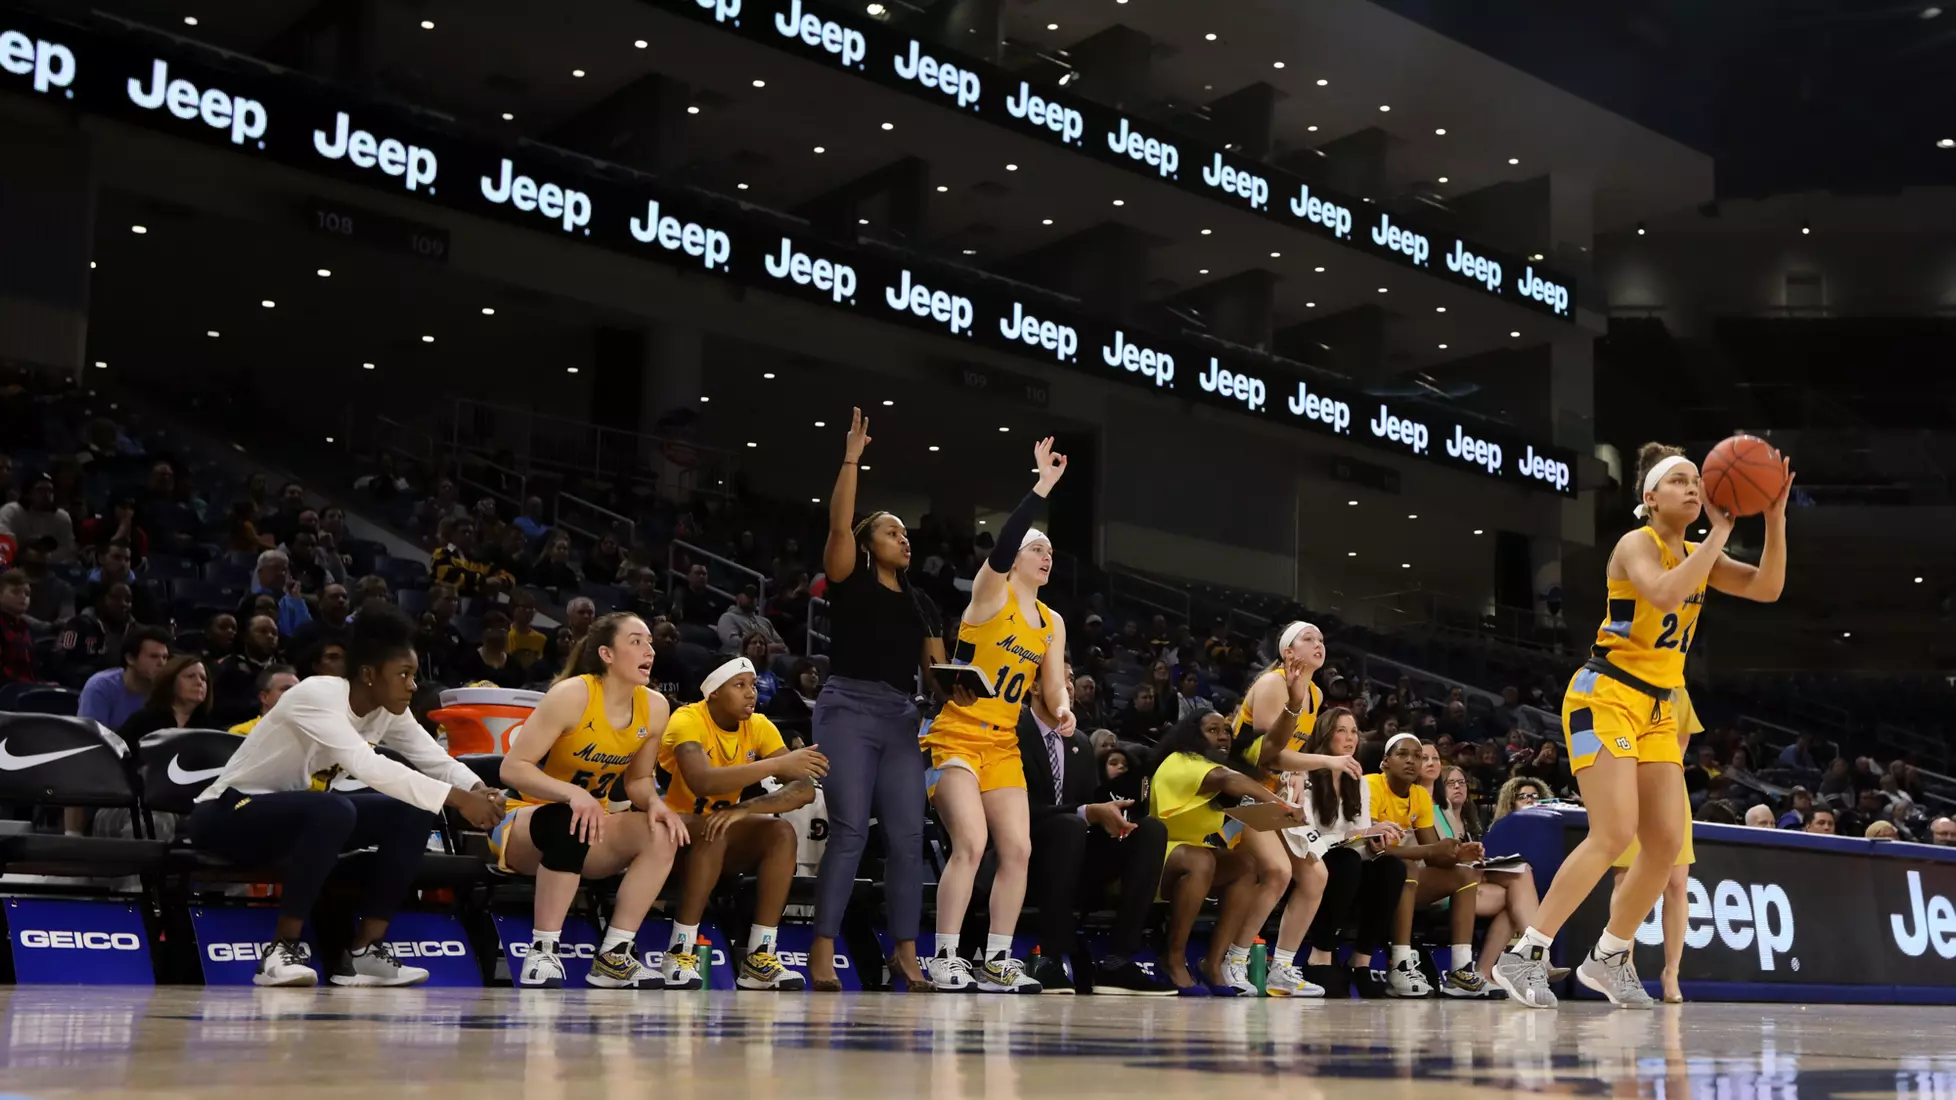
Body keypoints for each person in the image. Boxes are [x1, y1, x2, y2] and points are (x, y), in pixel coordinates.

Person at [1491, 441, 1791, 1010]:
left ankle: (1609, 955)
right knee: (1613, 832)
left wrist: (1773, 518)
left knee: (1666, 843)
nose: (1693, 489)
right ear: (1650, 498)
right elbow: (1664, 591)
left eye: (1695, 481)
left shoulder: (1701, 552)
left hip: (1657, 707)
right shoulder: (1637, 544)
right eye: (1680, 481)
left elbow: (1769, 587)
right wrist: (1722, 534)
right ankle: (1525, 953)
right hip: (1602, 694)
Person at [188, 606, 506, 987]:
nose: (413, 685)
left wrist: (478, 790)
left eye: (414, 675)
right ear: (368, 675)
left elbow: (433, 758)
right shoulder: (317, 694)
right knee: (333, 810)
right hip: (227, 812)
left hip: (296, 818)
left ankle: (366, 952)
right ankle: (282, 949)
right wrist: (457, 800)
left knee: (413, 812)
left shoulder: (388, 711)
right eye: (403, 675)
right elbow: (367, 765)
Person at [921, 436, 1072, 994]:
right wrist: (1042, 487)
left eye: (1051, 552)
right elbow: (1005, 544)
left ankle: (997, 960)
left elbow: (1053, 689)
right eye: (1039, 549)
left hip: (1003, 743)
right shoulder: (990, 594)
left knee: (1019, 850)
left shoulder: (1051, 622)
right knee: (972, 843)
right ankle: (945, 958)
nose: (1046, 556)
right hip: (957, 736)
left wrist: (1061, 711)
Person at [808, 409, 940, 992]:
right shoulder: (850, 573)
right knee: (851, 831)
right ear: (867, 542)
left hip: (900, 716)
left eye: (906, 533)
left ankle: (905, 954)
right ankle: (822, 948)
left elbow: (937, 675)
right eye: (892, 531)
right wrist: (851, 459)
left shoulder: (923, 603)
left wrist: (967, 687)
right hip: (847, 708)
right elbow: (839, 526)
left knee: (909, 837)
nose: (903, 538)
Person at [492, 612, 691, 989]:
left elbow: (638, 781)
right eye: (635, 641)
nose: (648, 650)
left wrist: (657, 804)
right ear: (607, 654)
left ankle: (614, 955)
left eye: (649, 642)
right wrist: (573, 793)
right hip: (522, 824)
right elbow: (513, 768)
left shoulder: (656, 707)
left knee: (662, 833)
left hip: (590, 825)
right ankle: (541, 953)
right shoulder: (572, 695)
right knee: (570, 819)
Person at [655, 656, 826, 991]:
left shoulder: (759, 725)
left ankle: (760, 955)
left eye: (752, 685)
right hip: (668, 828)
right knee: (715, 829)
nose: (751, 693)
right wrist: (770, 767)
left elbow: (804, 789)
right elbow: (702, 781)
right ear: (714, 693)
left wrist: (744, 809)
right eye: (740, 685)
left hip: (716, 829)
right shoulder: (687, 719)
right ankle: (680, 950)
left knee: (780, 832)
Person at [1230, 621, 1366, 997]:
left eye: (1321, 639)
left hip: (1271, 794)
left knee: (1316, 875)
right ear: (1288, 652)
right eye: (1308, 639)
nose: (1318, 644)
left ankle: (1283, 968)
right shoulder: (1273, 683)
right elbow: (1266, 751)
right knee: (1277, 871)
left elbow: (1293, 754)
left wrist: (1297, 779)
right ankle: (1235, 959)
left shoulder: (1316, 694)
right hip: (1239, 792)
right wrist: (1327, 762)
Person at [1016, 672, 1174, 995]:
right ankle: (1050, 956)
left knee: (1150, 831)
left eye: (1072, 679)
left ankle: (1118, 961)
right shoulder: (1012, 733)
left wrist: (1113, 817)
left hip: (1075, 859)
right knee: (1070, 825)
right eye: (1061, 678)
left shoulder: (1080, 744)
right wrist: (1087, 813)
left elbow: (1089, 804)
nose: (1070, 686)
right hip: (1022, 857)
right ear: (1034, 686)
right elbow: (1018, 808)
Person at [1150, 712, 1302, 993]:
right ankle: (1172, 959)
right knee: (1201, 859)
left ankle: (1214, 962)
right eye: (1213, 730)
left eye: (1227, 731)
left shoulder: (1214, 767)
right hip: (1152, 856)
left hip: (1192, 855)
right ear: (1194, 735)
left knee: (1244, 864)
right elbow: (1227, 779)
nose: (1223, 736)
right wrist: (1279, 804)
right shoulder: (1182, 761)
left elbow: (1272, 745)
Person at [1292, 708, 1406, 998]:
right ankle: (1320, 955)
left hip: (1347, 861)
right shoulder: (1303, 776)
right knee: (1346, 862)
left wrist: (1373, 844)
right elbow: (1306, 838)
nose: (1350, 737)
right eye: (1341, 730)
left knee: (1391, 868)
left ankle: (1361, 960)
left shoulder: (1359, 780)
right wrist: (1357, 837)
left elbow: (1360, 837)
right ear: (1326, 735)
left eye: (1354, 731)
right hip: (1308, 861)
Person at [1368, 733, 1488, 997]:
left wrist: (1459, 854)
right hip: (1366, 878)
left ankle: (1460, 971)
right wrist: (1432, 849)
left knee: (1464, 874)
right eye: (1403, 755)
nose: (1412, 761)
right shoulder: (1371, 786)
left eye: (1417, 757)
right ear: (1385, 762)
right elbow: (1373, 847)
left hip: (1398, 884)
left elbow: (1434, 854)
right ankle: (1400, 966)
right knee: (1406, 868)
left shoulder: (1419, 795)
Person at [116, 655, 212, 744]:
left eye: (203, 678)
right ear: (170, 681)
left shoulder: (210, 729)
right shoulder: (143, 721)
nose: (199, 682)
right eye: (190, 676)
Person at [229, 665, 301, 736]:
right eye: (286, 689)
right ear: (264, 697)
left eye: (297, 690)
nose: (294, 694)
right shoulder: (241, 733)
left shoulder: (306, 733)